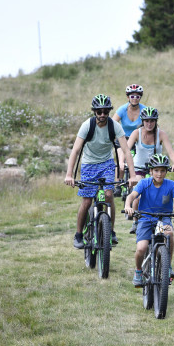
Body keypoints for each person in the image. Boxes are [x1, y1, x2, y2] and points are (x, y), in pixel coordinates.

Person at [64, 94, 138, 248]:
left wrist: (132, 175)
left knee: (109, 195)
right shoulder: (87, 125)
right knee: (87, 200)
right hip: (89, 165)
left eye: (106, 111)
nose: (103, 115)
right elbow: (76, 151)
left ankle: (110, 231)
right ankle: (78, 234)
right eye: (99, 112)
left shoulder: (114, 126)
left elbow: (125, 150)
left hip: (106, 164)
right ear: (94, 112)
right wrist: (69, 175)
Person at [124, 154, 174, 287]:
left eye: (162, 170)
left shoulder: (171, 185)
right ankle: (138, 271)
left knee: (169, 234)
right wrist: (127, 206)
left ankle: (168, 266)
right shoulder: (144, 183)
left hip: (163, 219)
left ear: (166, 171)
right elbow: (132, 196)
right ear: (150, 171)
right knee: (142, 248)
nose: (159, 174)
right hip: (146, 219)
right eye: (156, 170)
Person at [126, 106, 174, 233]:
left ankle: (159, 221)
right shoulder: (137, 133)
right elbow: (127, 150)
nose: (149, 123)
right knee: (139, 195)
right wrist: (124, 163)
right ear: (142, 121)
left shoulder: (161, 134)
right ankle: (136, 221)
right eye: (147, 121)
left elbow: (170, 151)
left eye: (152, 121)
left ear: (156, 121)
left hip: (157, 167)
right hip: (139, 168)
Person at [112, 84, 146, 195]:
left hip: (137, 139)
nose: (135, 99)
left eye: (137, 96)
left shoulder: (144, 110)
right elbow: (113, 123)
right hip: (123, 139)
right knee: (120, 162)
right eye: (132, 96)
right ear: (128, 97)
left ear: (140, 97)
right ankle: (118, 184)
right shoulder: (122, 109)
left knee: (137, 163)